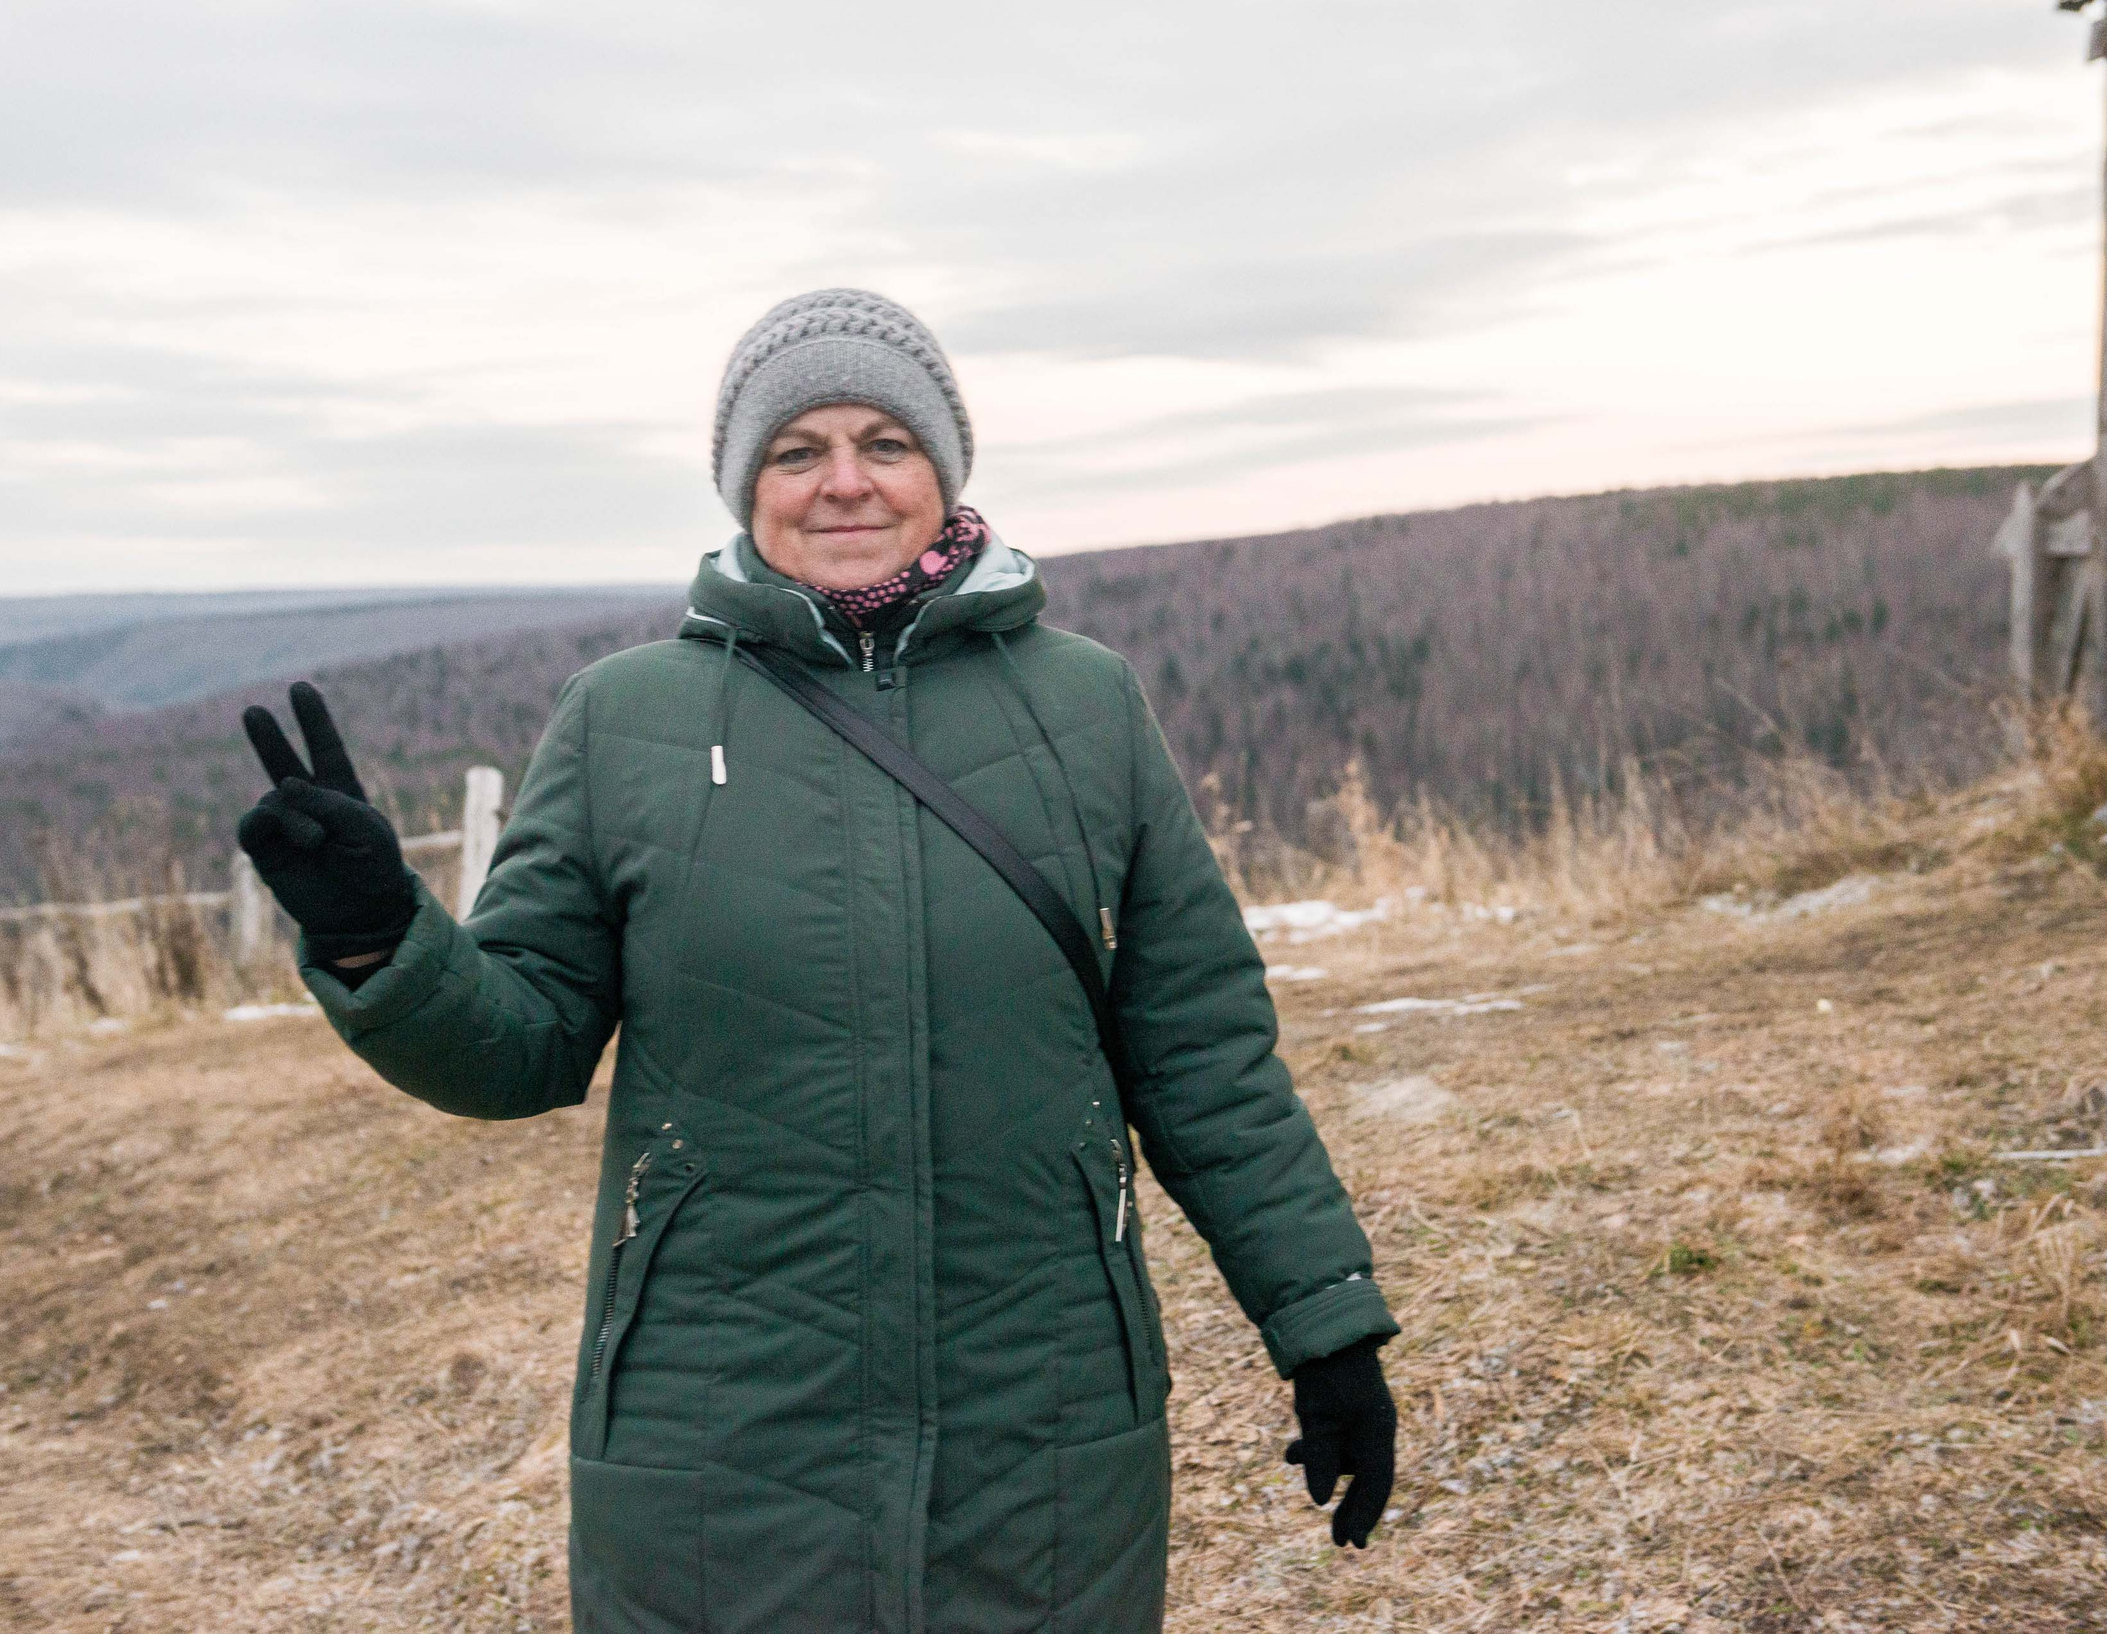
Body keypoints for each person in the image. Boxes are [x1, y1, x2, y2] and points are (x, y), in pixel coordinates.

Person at [235, 288, 1398, 1632]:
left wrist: (1325, 1325)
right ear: (747, 485)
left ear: (942, 469)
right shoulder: (626, 718)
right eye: (798, 451)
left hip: (1047, 1411)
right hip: (717, 1423)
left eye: (884, 442)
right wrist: (379, 932)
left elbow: (1200, 1047)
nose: (845, 481)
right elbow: (522, 1044)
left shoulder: (1086, 705)